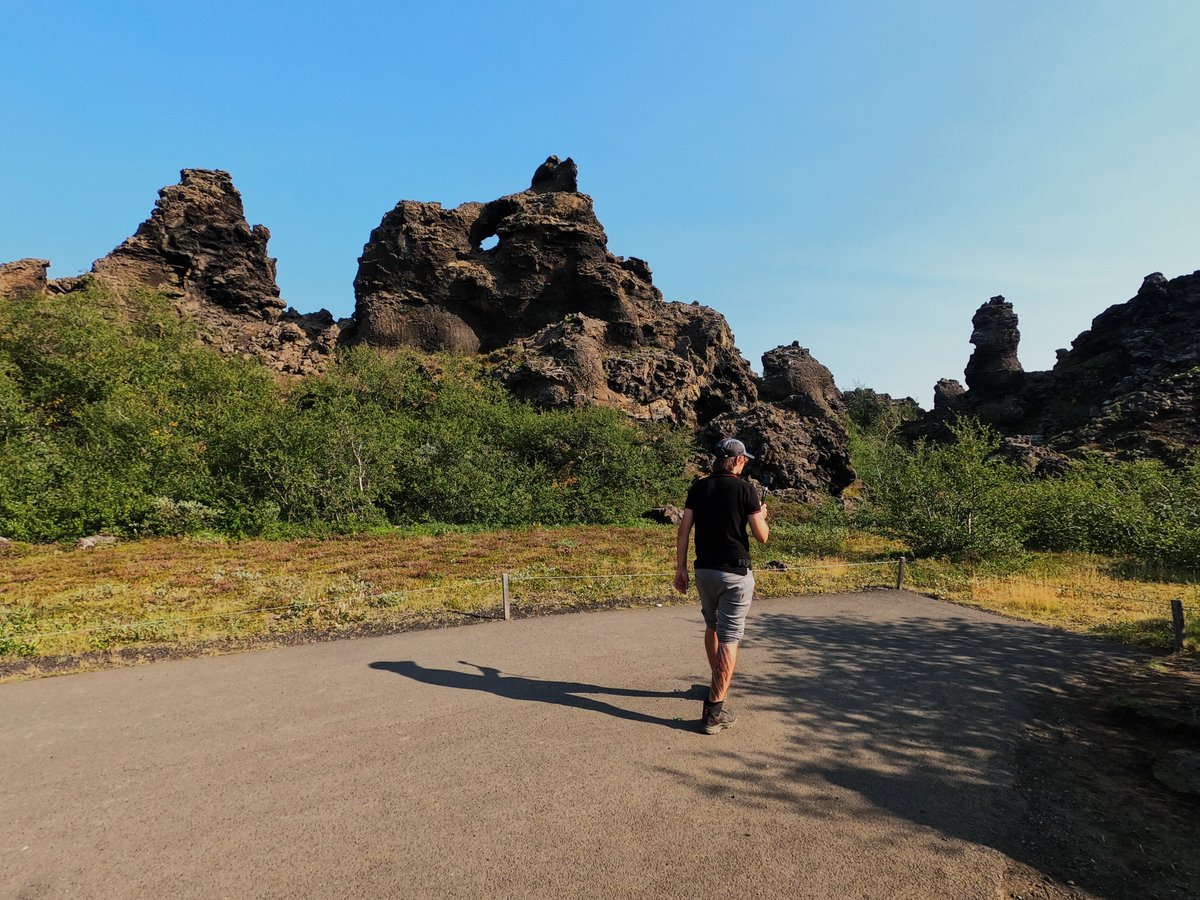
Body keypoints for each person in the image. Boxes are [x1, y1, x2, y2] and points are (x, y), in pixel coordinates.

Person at [674, 437, 769, 734]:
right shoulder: (745, 489)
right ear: (738, 460)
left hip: (704, 571)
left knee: (712, 626)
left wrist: (681, 568)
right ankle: (714, 711)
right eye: (745, 460)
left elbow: (684, 529)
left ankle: (717, 679)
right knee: (730, 637)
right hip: (735, 574)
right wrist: (762, 515)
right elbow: (761, 536)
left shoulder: (698, 487)